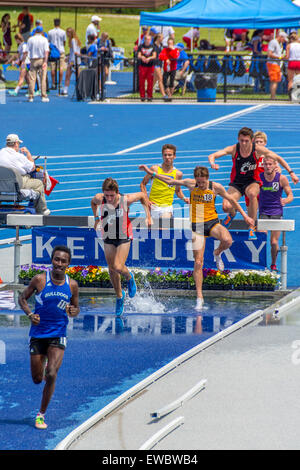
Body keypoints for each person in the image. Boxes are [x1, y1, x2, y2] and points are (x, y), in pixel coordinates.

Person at [139, 164, 254, 311]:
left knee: (227, 240)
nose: (200, 185)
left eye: (202, 182)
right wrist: (151, 173)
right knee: (198, 262)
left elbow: (232, 200)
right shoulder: (191, 184)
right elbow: (170, 181)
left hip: (212, 221)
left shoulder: (215, 187)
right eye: (198, 182)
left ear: (207, 178)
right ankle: (200, 298)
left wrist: (245, 216)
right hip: (197, 225)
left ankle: (217, 253)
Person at [18, 245, 79, 430]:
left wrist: (72, 310)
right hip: (38, 334)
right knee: (37, 379)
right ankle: (44, 366)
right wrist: (29, 314)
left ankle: (41, 415)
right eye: (57, 259)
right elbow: (22, 298)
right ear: (52, 260)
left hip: (58, 334)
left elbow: (75, 309)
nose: (59, 263)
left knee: (51, 373)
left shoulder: (72, 285)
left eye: (63, 261)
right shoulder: (39, 280)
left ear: (68, 264)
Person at [207, 127, 298, 239]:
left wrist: (291, 173)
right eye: (241, 141)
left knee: (252, 194)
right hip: (237, 183)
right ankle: (232, 214)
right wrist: (212, 163)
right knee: (226, 206)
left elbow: (277, 158)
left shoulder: (257, 150)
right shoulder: (234, 149)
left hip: (252, 181)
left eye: (246, 141)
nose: (244, 143)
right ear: (238, 139)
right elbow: (212, 155)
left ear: (251, 140)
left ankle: (251, 226)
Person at [91, 177, 152, 316]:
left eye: (112, 195)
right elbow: (93, 203)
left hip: (124, 236)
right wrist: (96, 219)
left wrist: (148, 216)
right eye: (107, 195)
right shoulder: (100, 199)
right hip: (108, 235)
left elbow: (143, 195)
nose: (110, 199)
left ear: (117, 193)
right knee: (111, 269)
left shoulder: (126, 200)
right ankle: (119, 296)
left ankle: (129, 277)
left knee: (118, 266)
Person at [0, 133, 50, 215]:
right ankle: (42, 210)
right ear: (16, 143)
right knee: (39, 183)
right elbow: (32, 168)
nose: (19, 145)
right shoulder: (19, 156)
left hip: (1, 185)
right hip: (17, 183)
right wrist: (28, 154)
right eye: (19, 143)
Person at [258, 155, 293, 272]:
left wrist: (285, 200)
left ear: (275, 165)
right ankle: (261, 264)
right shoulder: (259, 178)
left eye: (270, 164)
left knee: (273, 242)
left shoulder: (281, 178)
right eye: (265, 164)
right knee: (262, 237)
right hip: (263, 211)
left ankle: (273, 264)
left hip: (276, 211)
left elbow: (290, 195)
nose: (268, 166)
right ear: (263, 165)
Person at [140, 143, 189, 219]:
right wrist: (146, 199)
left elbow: (178, 190)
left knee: (163, 227)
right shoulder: (155, 169)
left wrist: (184, 198)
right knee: (154, 230)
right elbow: (143, 184)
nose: (167, 157)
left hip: (167, 207)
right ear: (162, 156)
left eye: (170, 155)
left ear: (174, 156)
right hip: (153, 206)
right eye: (165, 155)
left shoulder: (178, 174)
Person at [27, 26, 50, 102]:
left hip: (33, 60)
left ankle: (31, 96)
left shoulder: (30, 39)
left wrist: (28, 60)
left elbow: (27, 51)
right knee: (42, 78)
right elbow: (46, 52)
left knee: (32, 78)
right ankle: (43, 96)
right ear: (42, 32)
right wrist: (45, 62)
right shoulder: (44, 39)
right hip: (41, 59)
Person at [267, 30, 288, 99]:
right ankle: (273, 97)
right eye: (283, 39)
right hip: (273, 64)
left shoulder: (278, 44)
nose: (284, 41)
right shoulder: (273, 42)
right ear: (280, 37)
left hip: (276, 64)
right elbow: (269, 54)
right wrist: (279, 57)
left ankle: (273, 96)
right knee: (274, 81)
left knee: (276, 81)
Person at [62, 27, 81, 96]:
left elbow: (75, 52)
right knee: (78, 77)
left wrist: (71, 62)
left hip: (73, 62)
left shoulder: (73, 40)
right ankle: (79, 89)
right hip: (77, 61)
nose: (67, 34)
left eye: (68, 33)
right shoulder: (75, 40)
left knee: (68, 76)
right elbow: (73, 52)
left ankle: (65, 90)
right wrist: (68, 57)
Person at [137, 34, 156, 102]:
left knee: (150, 82)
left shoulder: (152, 46)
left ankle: (149, 96)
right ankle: (142, 96)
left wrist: (149, 58)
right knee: (142, 82)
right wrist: (142, 57)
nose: (147, 41)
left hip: (150, 66)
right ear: (144, 40)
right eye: (146, 39)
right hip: (142, 66)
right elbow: (139, 55)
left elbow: (154, 56)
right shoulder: (141, 46)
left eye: (149, 39)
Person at [48, 18, 66, 89]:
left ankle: (53, 83)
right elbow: (64, 42)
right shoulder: (63, 32)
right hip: (61, 50)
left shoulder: (50, 32)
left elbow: (49, 41)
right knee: (61, 67)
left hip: (53, 51)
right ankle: (60, 83)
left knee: (53, 68)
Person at [286, 32, 300, 99]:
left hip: (292, 62)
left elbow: (287, 56)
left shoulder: (289, 45)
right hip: (299, 62)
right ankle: (297, 95)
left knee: (290, 80)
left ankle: (290, 96)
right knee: (298, 79)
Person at [152, 33, 165, 97]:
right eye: (162, 38)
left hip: (159, 64)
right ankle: (164, 95)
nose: (163, 39)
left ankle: (148, 91)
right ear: (158, 38)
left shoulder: (161, 45)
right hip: (155, 64)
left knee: (155, 79)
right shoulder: (153, 46)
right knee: (160, 78)